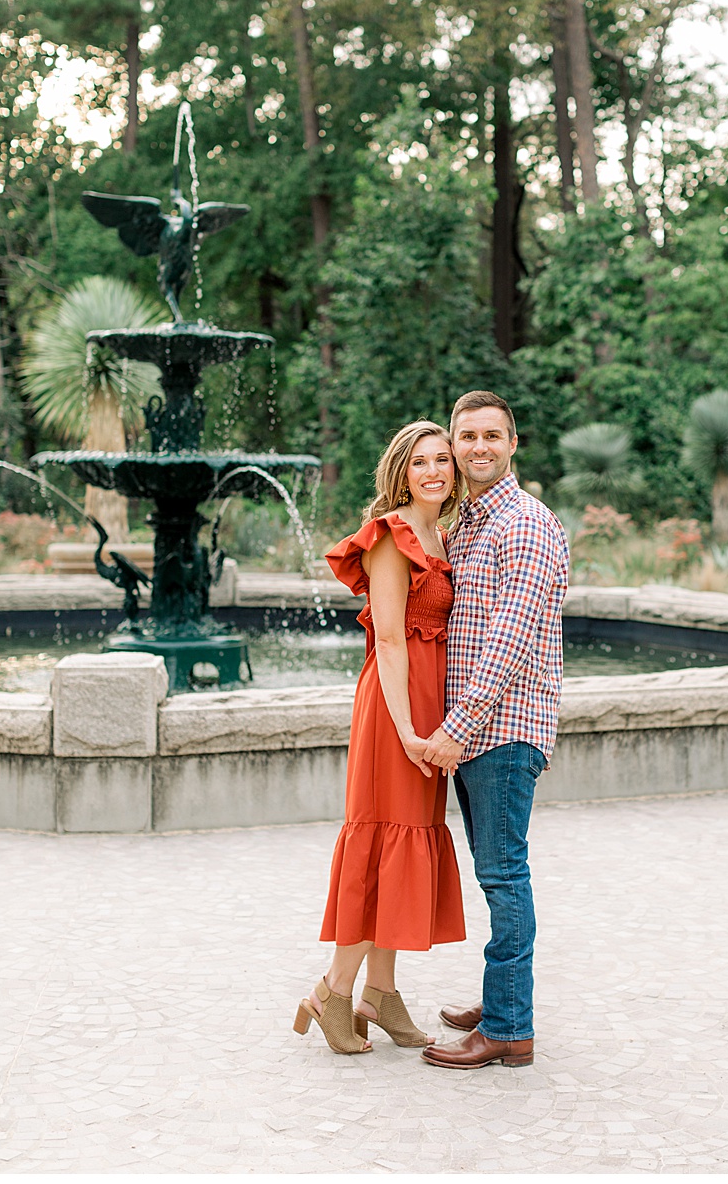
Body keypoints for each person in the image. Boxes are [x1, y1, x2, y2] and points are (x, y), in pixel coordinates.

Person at [294, 421, 467, 1054]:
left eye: (442, 460)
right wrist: (407, 730)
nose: (434, 471)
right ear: (400, 470)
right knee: (381, 845)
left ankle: (382, 992)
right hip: (397, 712)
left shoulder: (442, 534)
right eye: (420, 461)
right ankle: (334, 990)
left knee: (408, 844)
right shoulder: (392, 537)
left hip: (429, 711)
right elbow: (389, 640)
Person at [417, 391, 569, 1071]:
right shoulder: (471, 523)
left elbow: (507, 643)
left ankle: (510, 1026)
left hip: (502, 732)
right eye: (467, 436)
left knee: (505, 876)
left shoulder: (525, 525)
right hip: (480, 734)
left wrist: (456, 728)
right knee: (495, 875)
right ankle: (502, 994)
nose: (478, 448)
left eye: (491, 436)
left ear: (513, 444)